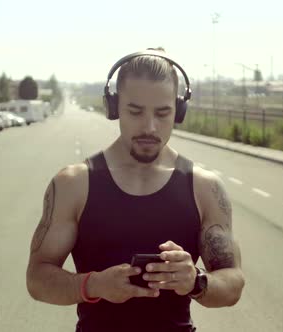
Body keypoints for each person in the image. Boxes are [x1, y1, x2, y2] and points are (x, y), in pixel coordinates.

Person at [26, 48, 245, 332]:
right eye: (135, 111)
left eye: (163, 113)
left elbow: (233, 283)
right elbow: (37, 279)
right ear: (114, 107)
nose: (149, 127)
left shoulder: (204, 188)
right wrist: (93, 285)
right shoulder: (73, 184)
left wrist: (195, 280)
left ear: (178, 111)